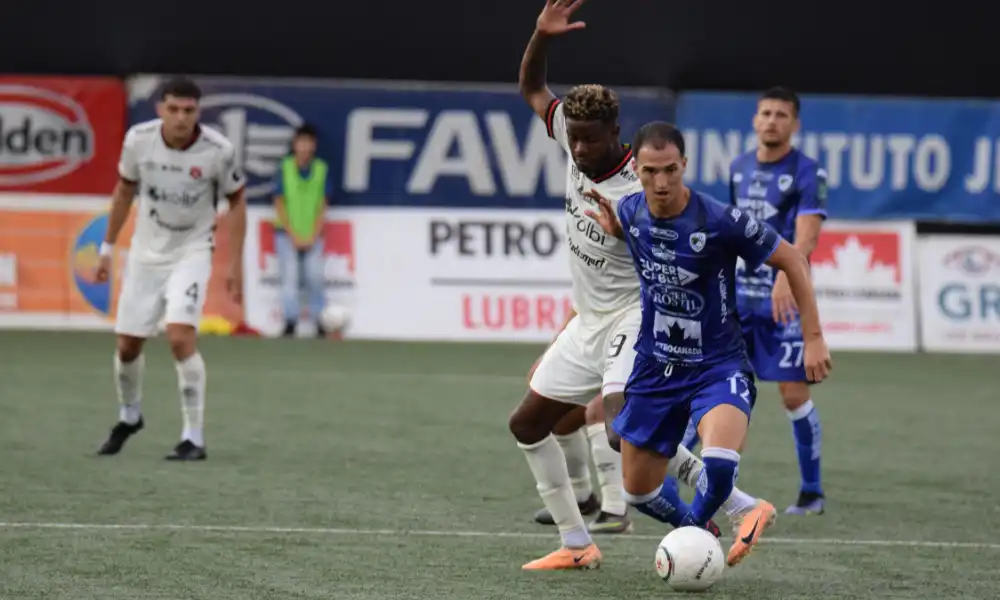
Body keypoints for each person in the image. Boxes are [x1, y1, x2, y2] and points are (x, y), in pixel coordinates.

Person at [510, 0, 770, 571]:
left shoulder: (640, 182)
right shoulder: (571, 138)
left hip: (635, 315)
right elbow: (532, 88)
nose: (578, 150)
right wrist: (540, 35)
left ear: (615, 133)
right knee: (528, 422)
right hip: (589, 319)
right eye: (572, 139)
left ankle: (738, 504)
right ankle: (577, 546)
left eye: (589, 140)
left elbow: (681, 237)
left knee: (615, 428)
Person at [585, 121, 832, 567]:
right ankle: (713, 526)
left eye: (670, 170)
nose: (660, 183)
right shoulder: (629, 211)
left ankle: (696, 545)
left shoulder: (720, 220)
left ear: (685, 165)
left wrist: (814, 338)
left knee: (718, 463)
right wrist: (617, 230)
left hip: (718, 366)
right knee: (637, 492)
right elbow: (635, 234)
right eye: (649, 172)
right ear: (635, 168)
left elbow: (793, 258)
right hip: (655, 368)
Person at [681, 87, 828, 516]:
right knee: (713, 385)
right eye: (765, 113)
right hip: (737, 299)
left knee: (792, 394)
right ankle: (675, 469)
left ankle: (811, 493)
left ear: (795, 124)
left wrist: (788, 270)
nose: (772, 121)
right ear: (754, 120)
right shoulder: (740, 167)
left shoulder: (807, 172)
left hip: (783, 301)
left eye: (782, 115)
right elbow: (731, 228)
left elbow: (808, 235)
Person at [95, 76, 246, 461]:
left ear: (199, 112)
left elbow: (237, 202)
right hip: (146, 252)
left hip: (192, 250)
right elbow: (124, 191)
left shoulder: (218, 151)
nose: (181, 118)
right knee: (128, 345)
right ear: (160, 108)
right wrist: (107, 248)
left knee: (180, 337)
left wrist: (234, 265)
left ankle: (193, 436)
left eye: (189, 111)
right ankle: (130, 416)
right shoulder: (139, 141)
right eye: (173, 109)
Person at [273, 124, 331, 337]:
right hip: (287, 234)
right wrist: (293, 234)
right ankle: (290, 322)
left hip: (313, 235)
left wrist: (314, 234)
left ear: (314, 146)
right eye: (301, 142)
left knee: (315, 277)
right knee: (290, 279)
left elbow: (323, 204)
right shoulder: (285, 167)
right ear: (295, 144)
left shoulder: (321, 169)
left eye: (309, 143)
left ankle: (320, 321)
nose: (304, 147)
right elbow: (279, 203)